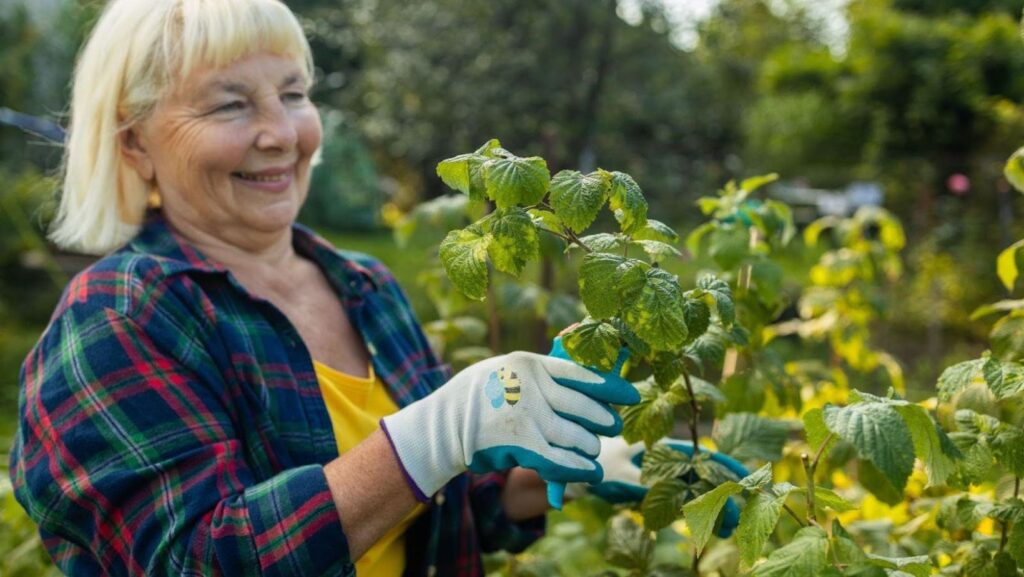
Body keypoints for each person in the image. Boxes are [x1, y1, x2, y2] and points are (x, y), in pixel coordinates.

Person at [7, 1, 639, 576]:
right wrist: (441, 428)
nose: (281, 133)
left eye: (293, 93)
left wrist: (591, 465)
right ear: (133, 142)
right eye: (230, 104)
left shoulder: (362, 285)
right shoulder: (121, 317)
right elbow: (202, 561)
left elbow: (445, 496)